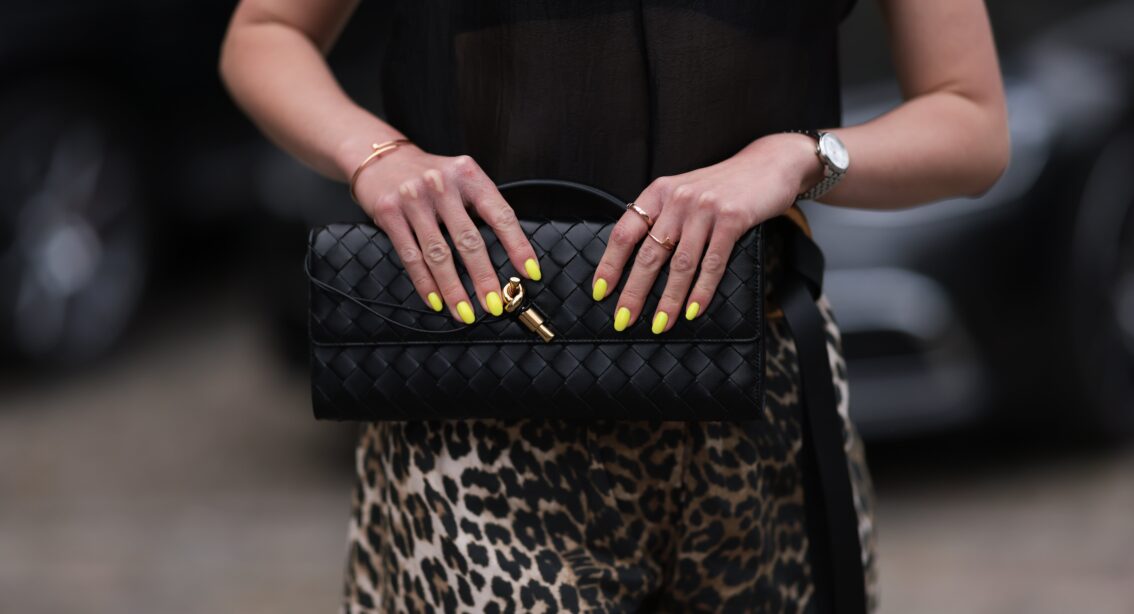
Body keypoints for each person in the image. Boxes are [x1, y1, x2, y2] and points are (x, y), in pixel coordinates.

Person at [220, 0, 1008, 611]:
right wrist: (376, 155)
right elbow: (265, 32)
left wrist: (801, 157)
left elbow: (970, 119)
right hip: (482, 413)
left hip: (761, 401)